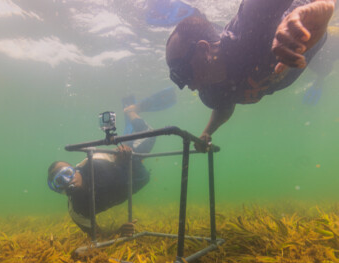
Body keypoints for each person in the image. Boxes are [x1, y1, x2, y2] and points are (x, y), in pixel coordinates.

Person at [165, 0, 336, 151]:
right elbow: (224, 106)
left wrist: (325, 5)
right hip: (303, 63)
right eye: (178, 79)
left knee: (327, 60)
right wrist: (206, 132)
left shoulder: (251, 23)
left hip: (317, 33)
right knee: (323, 71)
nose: (188, 85)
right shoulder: (210, 92)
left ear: (203, 49)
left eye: (183, 73)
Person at [47, 89, 176, 238]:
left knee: (148, 134)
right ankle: (128, 127)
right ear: (58, 189)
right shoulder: (76, 211)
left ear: (75, 170)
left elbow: (118, 152)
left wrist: (123, 156)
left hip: (130, 167)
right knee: (130, 140)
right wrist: (117, 232)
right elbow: (98, 234)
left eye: (67, 174)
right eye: (59, 181)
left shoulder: (95, 162)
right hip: (133, 184)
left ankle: (131, 111)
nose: (67, 181)